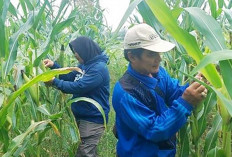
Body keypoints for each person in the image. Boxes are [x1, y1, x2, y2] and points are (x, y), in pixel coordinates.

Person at [112, 23, 207, 157]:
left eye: (159, 52)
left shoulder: (159, 73)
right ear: (132, 56)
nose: (159, 58)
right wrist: (187, 101)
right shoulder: (126, 93)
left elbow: (175, 93)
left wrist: (192, 86)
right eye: (151, 54)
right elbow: (154, 130)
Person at [44, 36, 110, 157]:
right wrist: (54, 66)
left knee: (84, 153)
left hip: (92, 119)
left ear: (85, 50)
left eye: (76, 51)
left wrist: (54, 82)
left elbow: (78, 86)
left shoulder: (99, 69)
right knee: (89, 151)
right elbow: (69, 76)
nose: (75, 54)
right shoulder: (85, 65)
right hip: (83, 116)